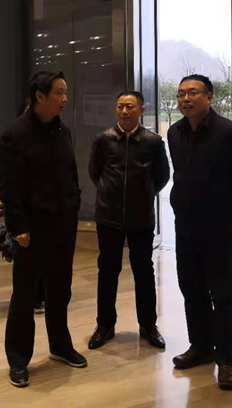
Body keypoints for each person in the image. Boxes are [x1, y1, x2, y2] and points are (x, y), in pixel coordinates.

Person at [167, 74, 232, 391]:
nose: (185, 99)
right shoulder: (174, 132)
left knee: (224, 295)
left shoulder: (229, 133)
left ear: (209, 97)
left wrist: (227, 209)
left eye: (193, 92)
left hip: (219, 229)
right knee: (191, 289)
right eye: (181, 94)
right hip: (186, 227)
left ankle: (227, 359)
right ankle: (201, 346)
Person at [0, 71, 87, 388]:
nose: (65, 99)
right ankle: (18, 359)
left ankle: (60, 346)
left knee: (60, 289)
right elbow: (9, 185)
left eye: (65, 92)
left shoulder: (62, 131)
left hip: (63, 224)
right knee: (25, 295)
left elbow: (70, 174)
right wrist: (18, 225)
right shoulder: (15, 134)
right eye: (59, 93)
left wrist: (74, 205)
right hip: (32, 229)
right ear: (40, 96)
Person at [87, 91, 171, 350]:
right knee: (107, 272)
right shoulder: (103, 139)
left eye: (130, 107)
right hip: (108, 217)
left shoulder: (153, 142)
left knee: (144, 272)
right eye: (121, 106)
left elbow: (162, 176)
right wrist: (109, 193)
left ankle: (148, 326)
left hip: (141, 218)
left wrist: (144, 194)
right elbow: (95, 172)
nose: (124, 111)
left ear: (141, 110)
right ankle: (105, 325)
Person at [0, 100, 46, 314]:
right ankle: (28, 298)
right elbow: (1, 172)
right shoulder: (13, 138)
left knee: (43, 257)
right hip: (21, 208)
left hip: (44, 210)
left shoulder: (53, 136)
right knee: (24, 256)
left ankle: (41, 295)